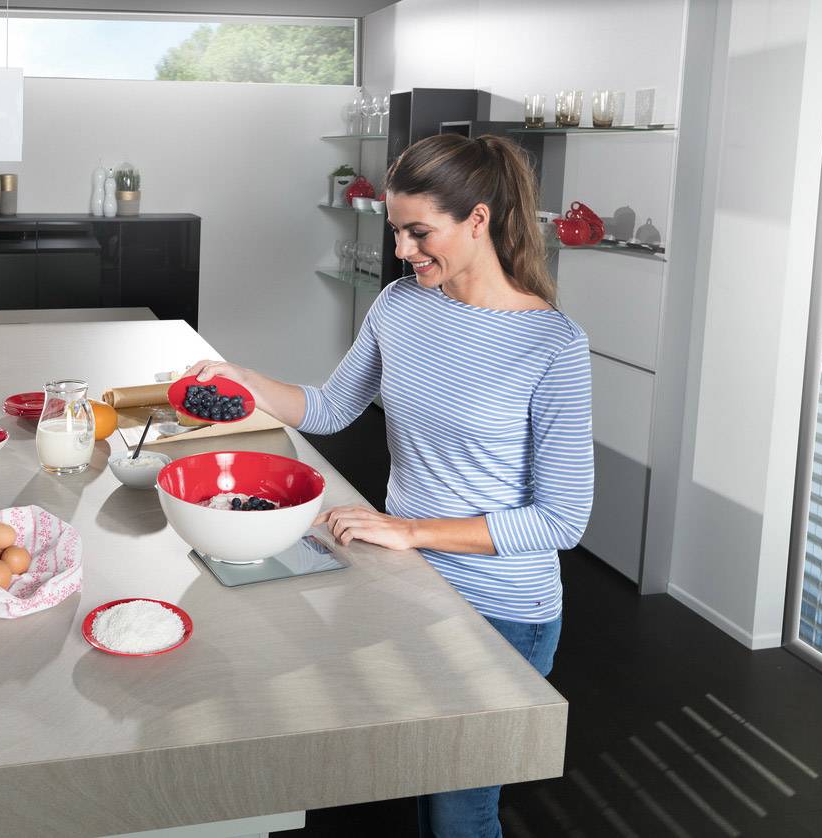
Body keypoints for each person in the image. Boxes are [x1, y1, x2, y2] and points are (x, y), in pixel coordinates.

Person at [187, 132, 593, 838]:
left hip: (502, 609)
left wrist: (410, 531)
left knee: (458, 815)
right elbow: (332, 407)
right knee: (407, 781)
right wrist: (245, 380)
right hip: (406, 586)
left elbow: (562, 520)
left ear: (478, 219)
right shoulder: (402, 305)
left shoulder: (551, 344)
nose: (403, 251)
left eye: (418, 232)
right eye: (396, 231)